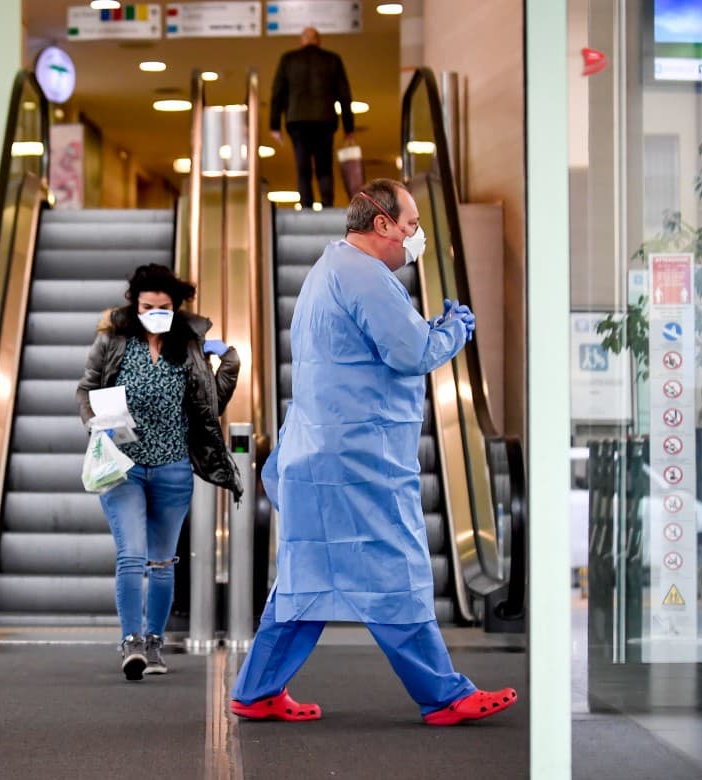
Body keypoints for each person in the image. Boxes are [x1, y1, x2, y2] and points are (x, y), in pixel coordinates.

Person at [229, 179, 517, 726]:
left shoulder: (328, 271)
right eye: (410, 226)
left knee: (305, 579)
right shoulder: (365, 276)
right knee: (397, 572)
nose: (415, 237)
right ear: (381, 224)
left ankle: (257, 689)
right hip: (361, 461)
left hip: (318, 455)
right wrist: (453, 330)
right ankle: (445, 695)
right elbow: (409, 353)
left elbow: (372, 350)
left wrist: (427, 329)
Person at [77, 264, 242, 681]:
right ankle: (131, 641)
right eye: (147, 305)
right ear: (134, 304)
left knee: (163, 562)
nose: (154, 312)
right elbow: (87, 387)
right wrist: (93, 421)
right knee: (132, 555)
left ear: (176, 307)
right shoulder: (113, 340)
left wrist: (229, 362)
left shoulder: (187, 345)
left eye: (163, 306)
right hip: (123, 466)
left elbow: (210, 405)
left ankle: (154, 642)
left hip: (172, 469)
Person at [269, 26, 355, 209]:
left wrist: (274, 125)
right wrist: (349, 128)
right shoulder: (332, 60)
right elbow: (345, 95)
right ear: (319, 41)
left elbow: (278, 93)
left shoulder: (288, 60)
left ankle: (306, 206)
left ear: (302, 41)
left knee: (303, 167)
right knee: (324, 165)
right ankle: (327, 205)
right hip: (325, 119)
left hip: (297, 120)